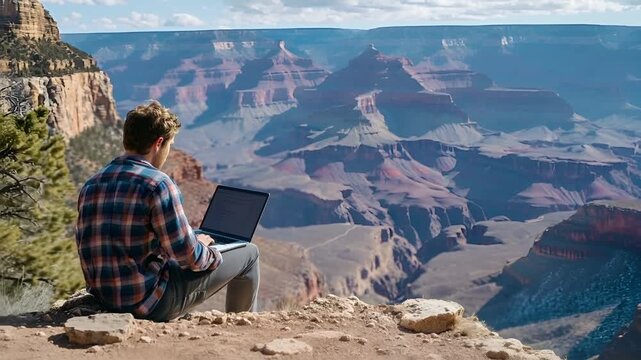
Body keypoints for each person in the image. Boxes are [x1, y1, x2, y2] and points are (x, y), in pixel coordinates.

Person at [75, 101, 260, 321]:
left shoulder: (92, 184)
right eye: (169, 144)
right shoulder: (158, 184)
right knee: (249, 253)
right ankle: (243, 327)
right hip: (147, 304)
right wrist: (207, 248)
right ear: (158, 143)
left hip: (105, 299)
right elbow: (190, 258)